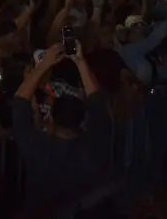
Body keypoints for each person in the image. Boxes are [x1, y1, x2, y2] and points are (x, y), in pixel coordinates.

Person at [12, 43, 116, 219]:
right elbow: (98, 104)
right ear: (84, 121)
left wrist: (43, 66)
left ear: (51, 118)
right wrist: (80, 62)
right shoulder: (94, 146)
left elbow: (19, 104)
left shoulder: (36, 148)